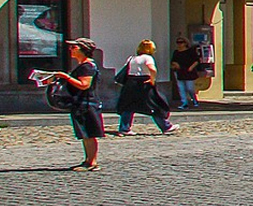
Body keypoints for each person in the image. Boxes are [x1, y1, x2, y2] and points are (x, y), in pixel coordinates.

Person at [45, 39, 106, 171]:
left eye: (74, 47)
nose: (71, 49)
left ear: (83, 49)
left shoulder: (87, 66)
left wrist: (66, 77)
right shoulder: (83, 65)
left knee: (89, 134)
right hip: (81, 103)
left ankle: (92, 162)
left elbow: (84, 85)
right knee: (84, 134)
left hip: (87, 103)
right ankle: (88, 160)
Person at [115, 40, 175, 135]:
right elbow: (152, 69)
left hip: (131, 82)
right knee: (154, 105)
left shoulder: (132, 58)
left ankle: (124, 128)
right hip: (143, 82)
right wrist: (152, 79)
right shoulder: (148, 58)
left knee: (128, 106)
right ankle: (165, 126)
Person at [169, 37, 202, 110]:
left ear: (185, 43)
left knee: (190, 88)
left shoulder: (190, 51)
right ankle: (184, 103)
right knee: (181, 88)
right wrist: (175, 64)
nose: (179, 44)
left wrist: (191, 67)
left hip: (189, 72)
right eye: (178, 42)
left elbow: (196, 60)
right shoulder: (176, 52)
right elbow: (173, 61)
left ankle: (194, 99)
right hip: (179, 72)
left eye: (181, 42)